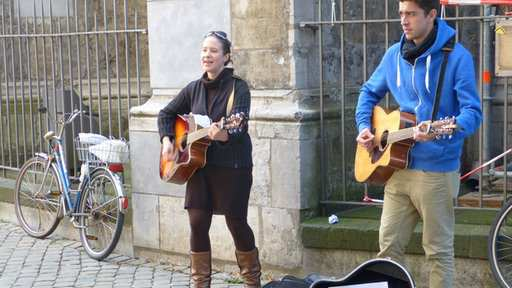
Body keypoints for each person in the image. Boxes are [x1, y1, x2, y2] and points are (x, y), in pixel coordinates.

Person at [355, 1, 482, 287]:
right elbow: (367, 92)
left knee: (437, 253)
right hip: (396, 170)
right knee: (387, 252)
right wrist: (365, 128)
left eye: (411, 13)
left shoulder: (457, 58)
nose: (404, 20)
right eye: (401, 13)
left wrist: (443, 131)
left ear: (432, 15)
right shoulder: (393, 56)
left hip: (436, 173)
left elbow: (472, 113)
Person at [158, 31, 261, 288]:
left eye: (214, 51)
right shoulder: (193, 88)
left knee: (236, 222)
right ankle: (200, 284)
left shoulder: (239, 87)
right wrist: (167, 140)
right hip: (198, 168)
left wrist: (223, 134)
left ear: (226, 56)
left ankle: (251, 281)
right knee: (197, 222)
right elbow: (165, 114)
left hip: (232, 167)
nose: (207, 55)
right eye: (204, 50)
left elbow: (238, 127)